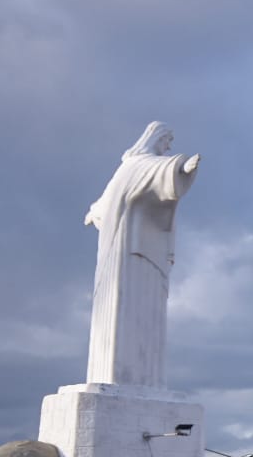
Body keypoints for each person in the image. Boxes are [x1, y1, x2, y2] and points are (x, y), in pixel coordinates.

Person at [84, 122, 200, 388]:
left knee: (144, 308)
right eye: (167, 140)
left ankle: (143, 381)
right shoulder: (136, 165)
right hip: (125, 250)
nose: (169, 146)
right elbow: (155, 174)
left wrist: (181, 169)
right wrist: (180, 167)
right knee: (119, 309)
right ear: (156, 137)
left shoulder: (133, 168)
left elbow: (114, 197)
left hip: (144, 254)